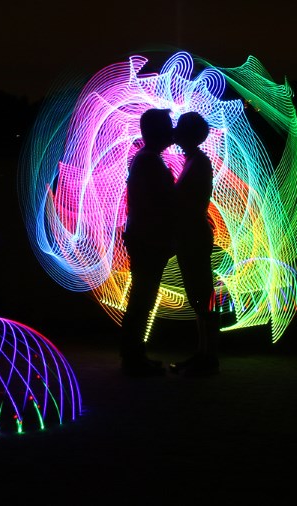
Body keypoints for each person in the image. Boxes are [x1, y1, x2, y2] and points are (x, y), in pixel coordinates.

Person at [120, 108, 175, 377]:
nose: (172, 130)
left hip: (145, 236)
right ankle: (132, 357)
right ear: (155, 131)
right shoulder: (149, 161)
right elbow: (158, 202)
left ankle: (136, 354)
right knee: (142, 297)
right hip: (147, 238)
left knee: (144, 297)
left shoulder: (148, 159)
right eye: (167, 125)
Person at [169, 111, 220, 377]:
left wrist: (168, 188)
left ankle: (208, 355)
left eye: (180, 129)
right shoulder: (194, 160)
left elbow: (188, 200)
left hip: (194, 235)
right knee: (198, 295)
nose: (174, 133)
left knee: (201, 295)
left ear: (190, 135)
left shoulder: (198, 162)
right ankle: (203, 353)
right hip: (191, 234)